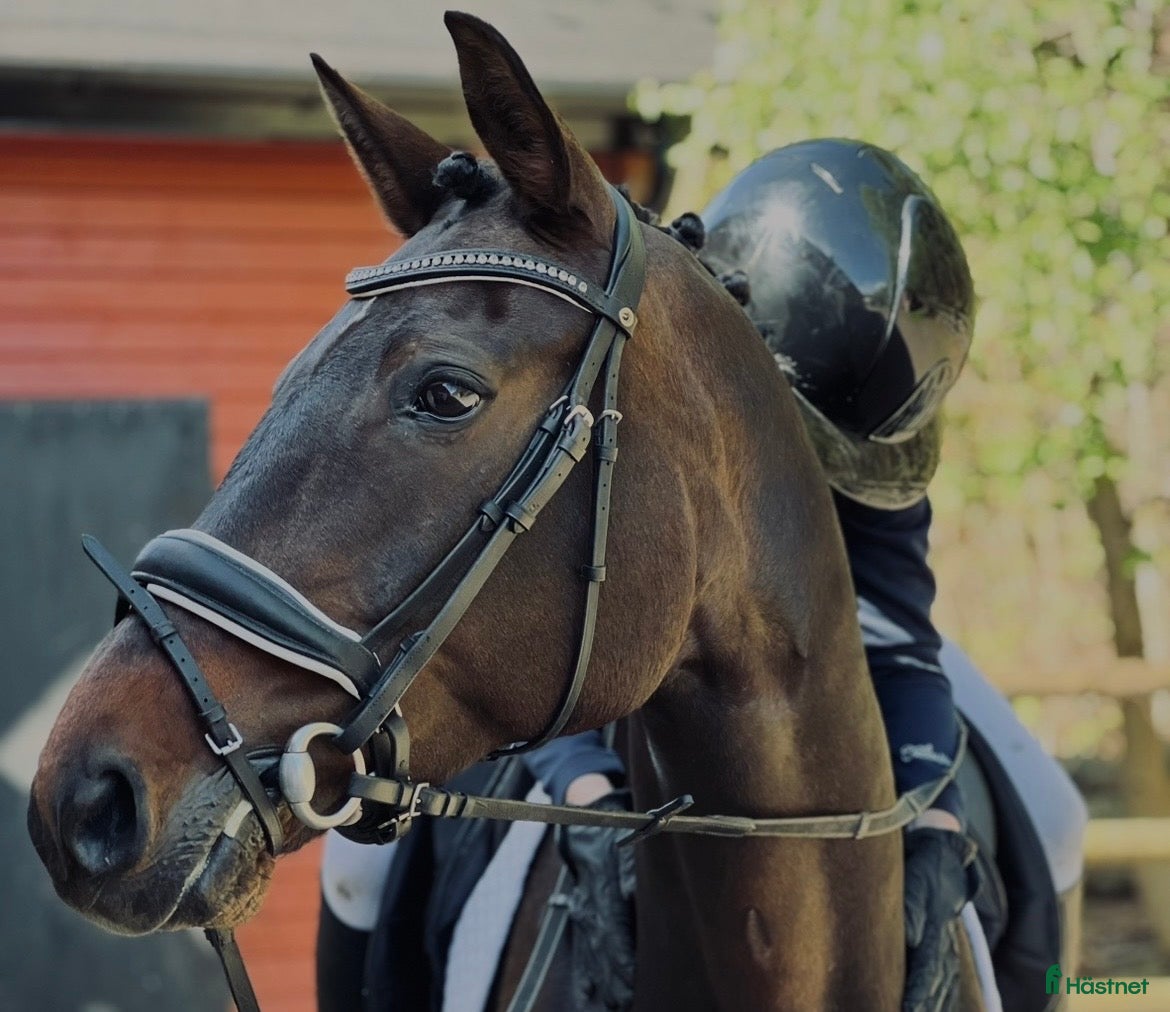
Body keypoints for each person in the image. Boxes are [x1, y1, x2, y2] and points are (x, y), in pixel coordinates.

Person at [319, 140, 1079, 1011]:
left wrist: (934, 814)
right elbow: (554, 604)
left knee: (1056, 817)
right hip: (621, 651)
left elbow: (901, 643)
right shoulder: (649, 403)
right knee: (357, 863)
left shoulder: (876, 433)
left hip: (831, 656)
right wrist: (581, 781)